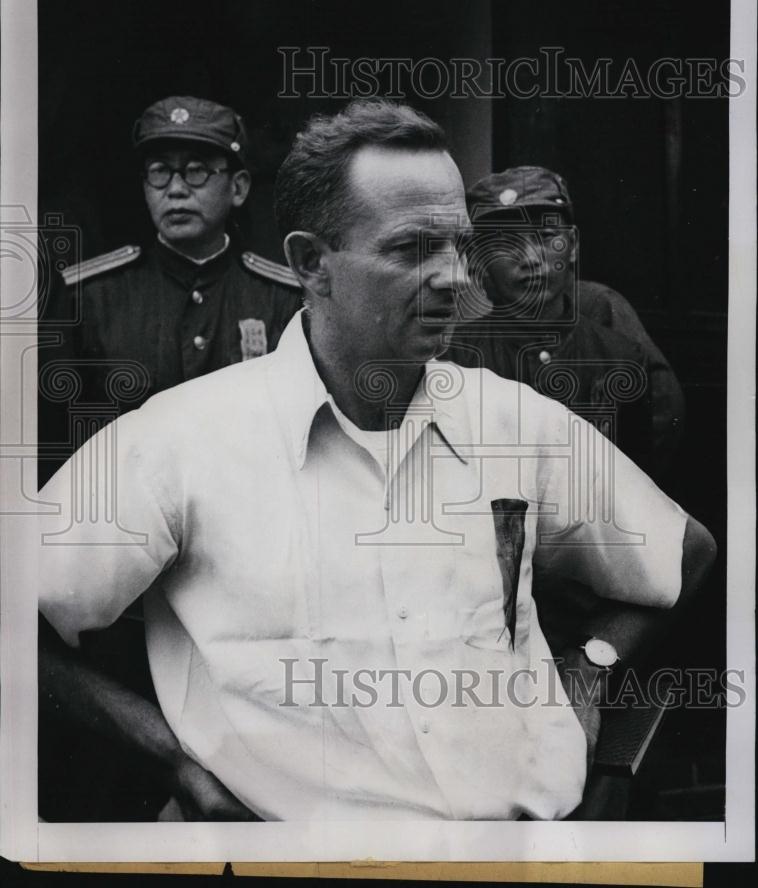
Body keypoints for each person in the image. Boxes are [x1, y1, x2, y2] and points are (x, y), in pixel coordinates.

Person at [38, 101, 715, 822]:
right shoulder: (180, 441)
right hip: (300, 860)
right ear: (310, 263)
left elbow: (686, 552)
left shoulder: (513, 422)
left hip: (521, 852)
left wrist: (590, 669)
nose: (457, 277)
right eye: (412, 247)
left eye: (458, 244)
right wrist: (169, 754)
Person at [38, 95, 302, 482]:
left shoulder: (283, 297)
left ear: (239, 188)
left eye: (196, 171)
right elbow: (51, 434)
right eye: (159, 172)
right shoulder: (90, 296)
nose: (175, 190)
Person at [445, 166, 685, 481]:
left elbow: (637, 486)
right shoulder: (454, 359)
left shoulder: (621, 358)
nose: (530, 258)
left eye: (546, 237)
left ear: (573, 247)